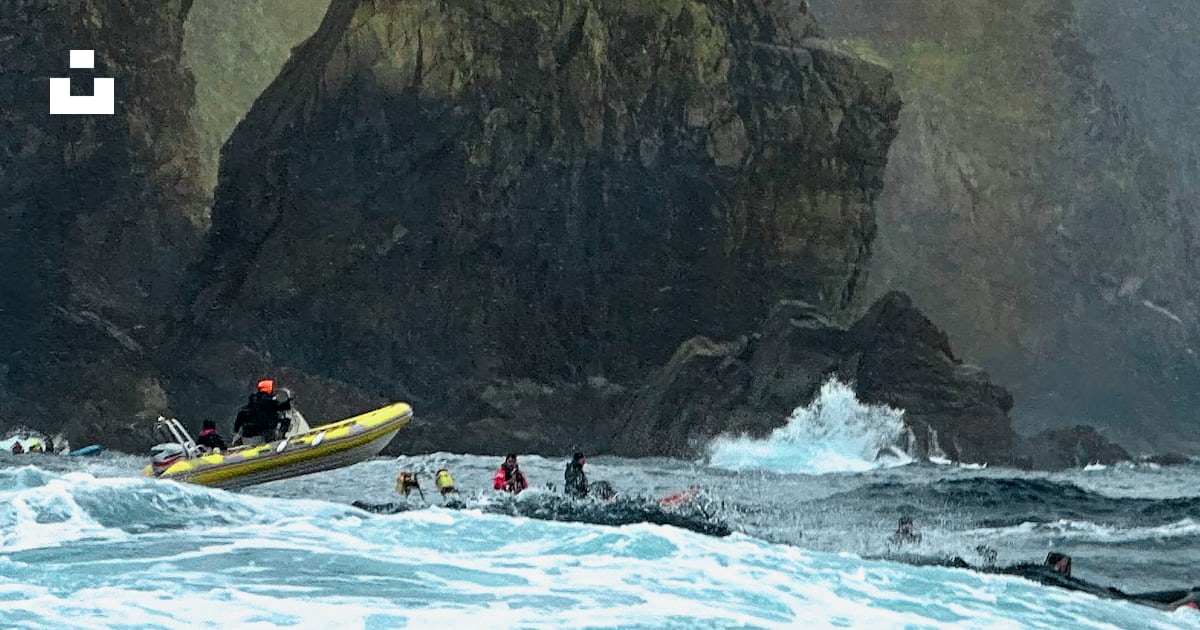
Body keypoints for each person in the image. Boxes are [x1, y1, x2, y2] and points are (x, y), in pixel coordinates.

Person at [232, 379, 292, 446]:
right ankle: (279, 440)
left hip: (249, 432)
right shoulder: (269, 401)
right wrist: (288, 402)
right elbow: (281, 407)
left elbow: (241, 414)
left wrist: (236, 430)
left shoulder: (254, 400)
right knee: (285, 422)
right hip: (264, 431)